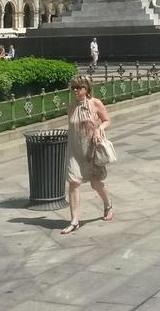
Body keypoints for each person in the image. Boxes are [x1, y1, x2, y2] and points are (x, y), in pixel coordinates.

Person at [61, 76, 114, 234]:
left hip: (90, 148)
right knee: (73, 182)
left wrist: (99, 129)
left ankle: (108, 204)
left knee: (95, 183)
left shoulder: (95, 103)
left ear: (87, 89)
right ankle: (74, 220)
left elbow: (107, 120)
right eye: (73, 88)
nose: (76, 91)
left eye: (79, 88)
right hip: (74, 149)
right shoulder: (71, 106)